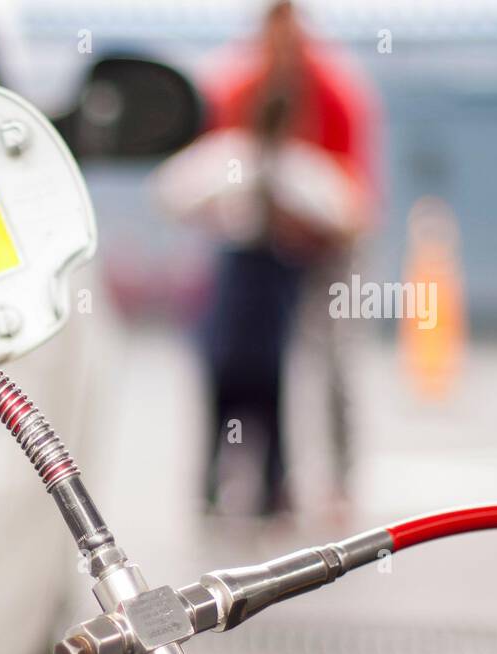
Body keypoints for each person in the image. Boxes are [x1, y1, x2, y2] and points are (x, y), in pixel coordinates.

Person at [159, 1, 377, 516]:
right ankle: (265, 482)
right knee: (250, 361)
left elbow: (352, 208)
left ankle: (340, 480)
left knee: (334, 356)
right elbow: (201, 186)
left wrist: (301, 224)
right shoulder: (237, 90)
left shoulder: (336, 95)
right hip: (263, 250)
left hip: (327, 250)